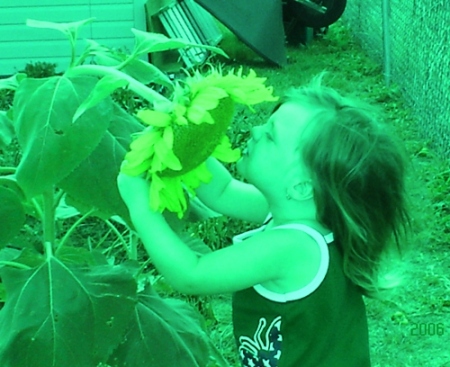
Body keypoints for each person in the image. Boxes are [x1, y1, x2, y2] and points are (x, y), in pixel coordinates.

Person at [117, 75, 411, 367]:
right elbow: (222, 191)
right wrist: (185, 138)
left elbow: (192, 274)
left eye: (271, 135)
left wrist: (141, 209)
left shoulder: (292, 246)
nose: (256, 130)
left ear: (301, 186)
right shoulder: (304, 214)